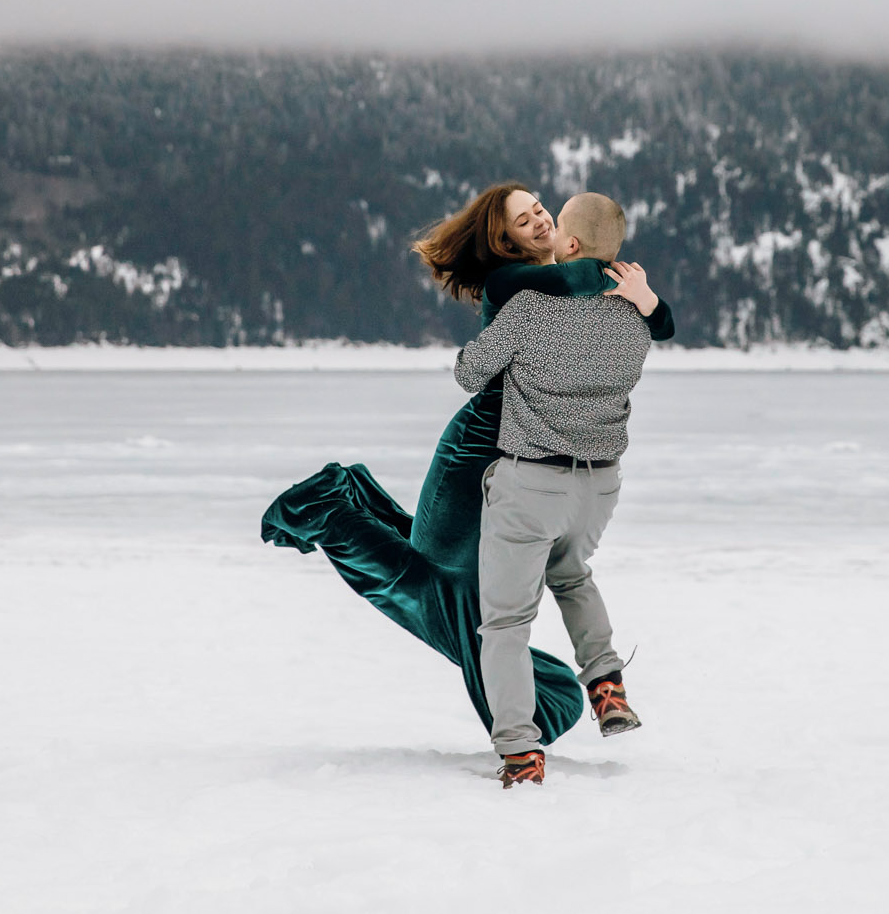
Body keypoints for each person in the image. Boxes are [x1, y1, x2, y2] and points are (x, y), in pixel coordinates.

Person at [260, 182, 675, 759]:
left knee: (469, 592)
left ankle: (521, 726)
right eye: (522, 219)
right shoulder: (514, 284)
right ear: (503, 240)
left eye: (539, 209)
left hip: (527, 454)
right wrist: (613, 274)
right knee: (440, 581)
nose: (537, 220)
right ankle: (327, 509)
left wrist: (640, 297)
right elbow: (582, 284)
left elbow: (646, 318)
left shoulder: (561, 284)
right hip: (480, 451)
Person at [453, 192, 657, 788]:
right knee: (572, 576)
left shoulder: (527, 311)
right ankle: (607, 684)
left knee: (507, 625)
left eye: (554, 221)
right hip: (599, 487)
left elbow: (470, 373)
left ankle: (520, 751)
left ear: (569, 247)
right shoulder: (635, 320)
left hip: (530, 484)